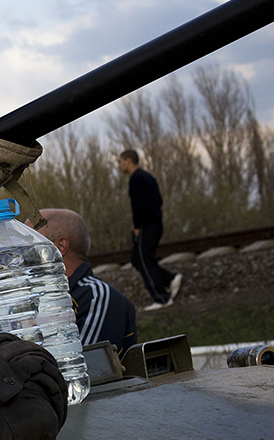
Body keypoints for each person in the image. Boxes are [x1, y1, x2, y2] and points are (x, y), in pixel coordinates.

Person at [38, 208, 137, 352]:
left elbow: (80, 365)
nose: (19, 256)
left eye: (28, 245)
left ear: (59, 247)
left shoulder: (95, 296)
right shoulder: (42, 298)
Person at [118, 149, 181, 310]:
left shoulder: (136, 179)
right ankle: (170, 279)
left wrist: (138, 226)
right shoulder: (147, 177)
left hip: (146, 226)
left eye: (121, 161)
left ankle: (161, 298)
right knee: (137, 259)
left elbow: (139, 205)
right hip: (155, 223)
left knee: (144, 260)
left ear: (129, 161)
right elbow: (158, 200)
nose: (119, 165)